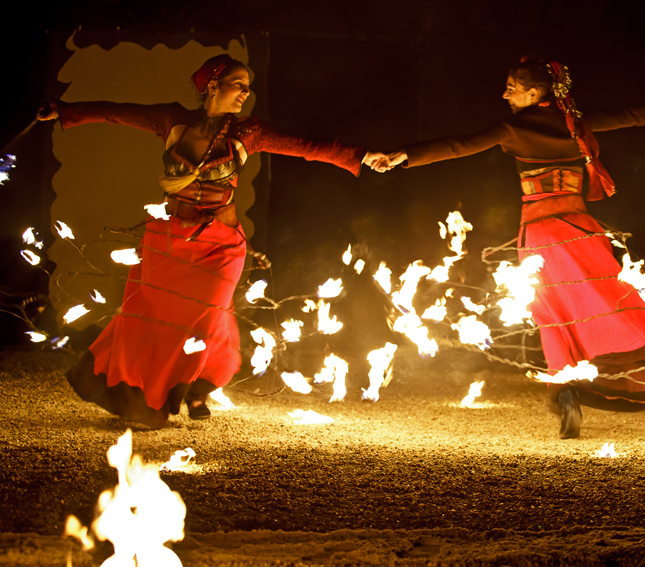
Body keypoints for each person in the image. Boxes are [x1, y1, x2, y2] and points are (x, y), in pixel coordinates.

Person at [41, 54, 390, 428]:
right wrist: (65, 111)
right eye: (239, 83)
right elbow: (116, 112)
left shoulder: (248, 132)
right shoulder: (171, 120)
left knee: (204, 317)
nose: (245, 92)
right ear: (212, 85)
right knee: (150, 319)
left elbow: (305, 145)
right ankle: (161, 391)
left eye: (248, 86)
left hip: (219, 246)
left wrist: (362, 156)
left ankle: (189, 388)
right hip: (169, 239)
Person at [383, 56, 645, 439]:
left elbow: (460, 146)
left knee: (553, 311)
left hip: (540, 234)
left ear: (533, 92)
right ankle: (630, 369)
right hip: (580, 230)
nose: (504, 94)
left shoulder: (513, 128)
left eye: (511, 87)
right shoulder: (575, 123)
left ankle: (565, 389)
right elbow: (631, 115)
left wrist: (406, 155)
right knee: (610, 298)